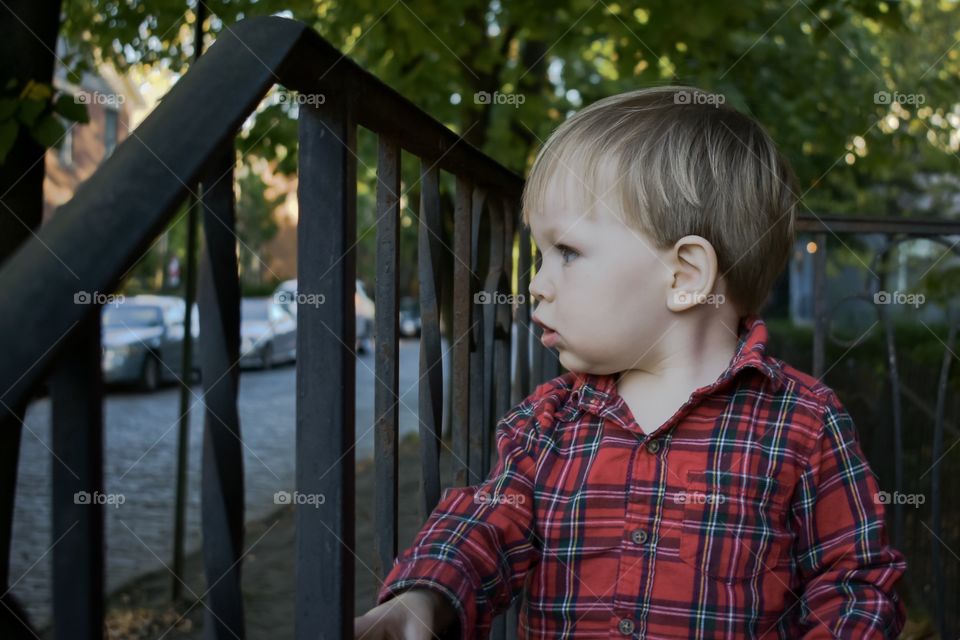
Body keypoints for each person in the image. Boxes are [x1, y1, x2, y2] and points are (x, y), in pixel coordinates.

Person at [354, 85, 908, 639]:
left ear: (684, 275)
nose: (536, 285)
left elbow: (855, 582)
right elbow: (487, 523)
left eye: (566, 253)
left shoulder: (803, 425)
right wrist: (423, 596)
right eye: (541, 255)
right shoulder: (548, 422)